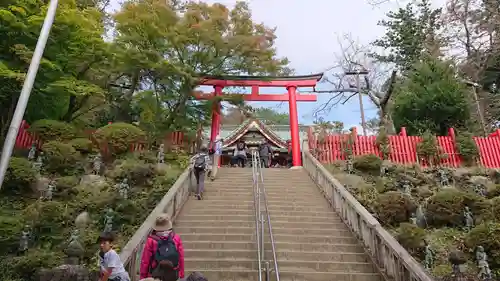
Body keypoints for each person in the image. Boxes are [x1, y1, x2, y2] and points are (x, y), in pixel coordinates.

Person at [140, 214, 185, 280]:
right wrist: (181, 274)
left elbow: (145, 261)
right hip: (173, 273)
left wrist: (143, 277)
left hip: (156, 274)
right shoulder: (176, 238)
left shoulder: (151, 240)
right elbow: (181, 257)